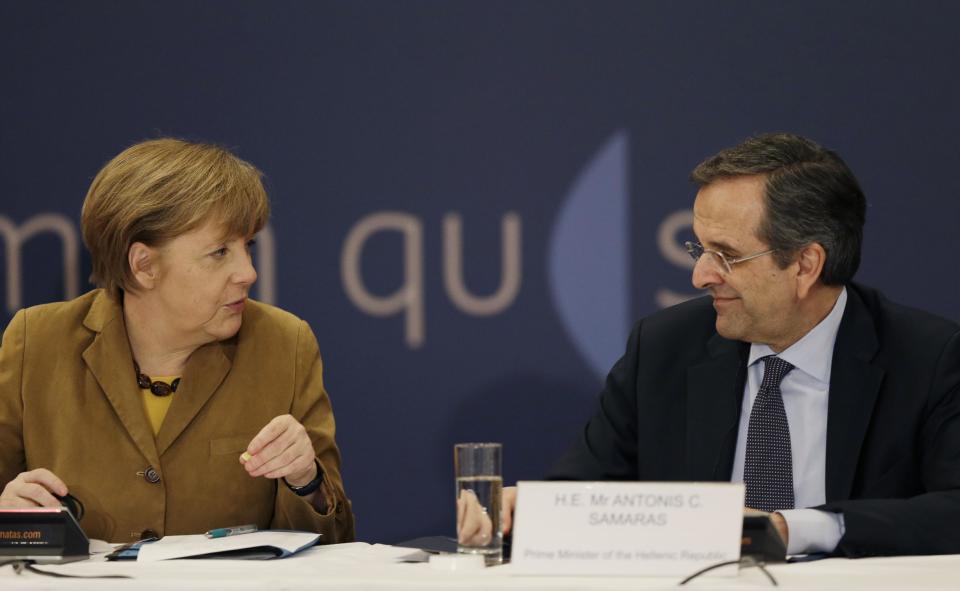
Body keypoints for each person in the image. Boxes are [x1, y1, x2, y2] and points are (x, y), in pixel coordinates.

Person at [472, 133, 960, 557]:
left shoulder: (928, 358)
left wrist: (795, 529)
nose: (700, 275)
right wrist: (533, 511)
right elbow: (585, 490)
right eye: (699, 248)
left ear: (806, 265)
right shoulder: (664, 349)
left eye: (726, 256)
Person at [0, 138, 355, 544]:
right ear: (144, 265)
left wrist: (304, 480)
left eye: (247, 246)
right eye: (220, 252)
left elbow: (336, 543)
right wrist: (9, 512)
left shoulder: (284, 345)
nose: (248, 272)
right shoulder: (37, 342)